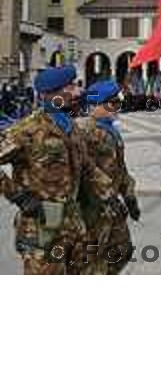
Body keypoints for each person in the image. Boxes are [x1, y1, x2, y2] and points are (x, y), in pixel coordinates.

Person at [0, 66, 100, 275]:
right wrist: (18, 196)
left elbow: (86, 166)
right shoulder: (27, 129)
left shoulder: (70, 126)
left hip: (74, 226)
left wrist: (107, 196)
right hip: (42, 229)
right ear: (51, 94)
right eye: (70, 87)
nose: (77, 92)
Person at [78, 79, 141, 275]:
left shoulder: (110, 130)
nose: (117, 108)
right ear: (96, 105)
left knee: (122, 250)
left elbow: (120, 169)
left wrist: (129, 196)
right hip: (92, 208)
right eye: (112, 103)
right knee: (93, 260)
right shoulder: (83, 131)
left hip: (112, 206)